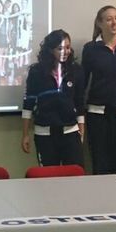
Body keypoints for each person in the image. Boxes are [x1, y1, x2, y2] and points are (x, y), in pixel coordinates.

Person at [82, 6, 116, 174]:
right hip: (98, 115)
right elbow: (83, 81)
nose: (114, 22)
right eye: (108, 19)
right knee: (100, 165)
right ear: (100, 23)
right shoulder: (91, 48)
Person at [22, 29, 85, 167]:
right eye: (60, 48)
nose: (65, 52)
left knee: (76, 177)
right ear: (50, 50)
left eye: (68, 47)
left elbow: (79, 102)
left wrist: (81, 129)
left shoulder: (76, 71)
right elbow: (28, 103)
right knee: (48, 179)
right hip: (45, 134)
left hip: (70, 132)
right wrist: (25, 134)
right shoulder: (36, 72)